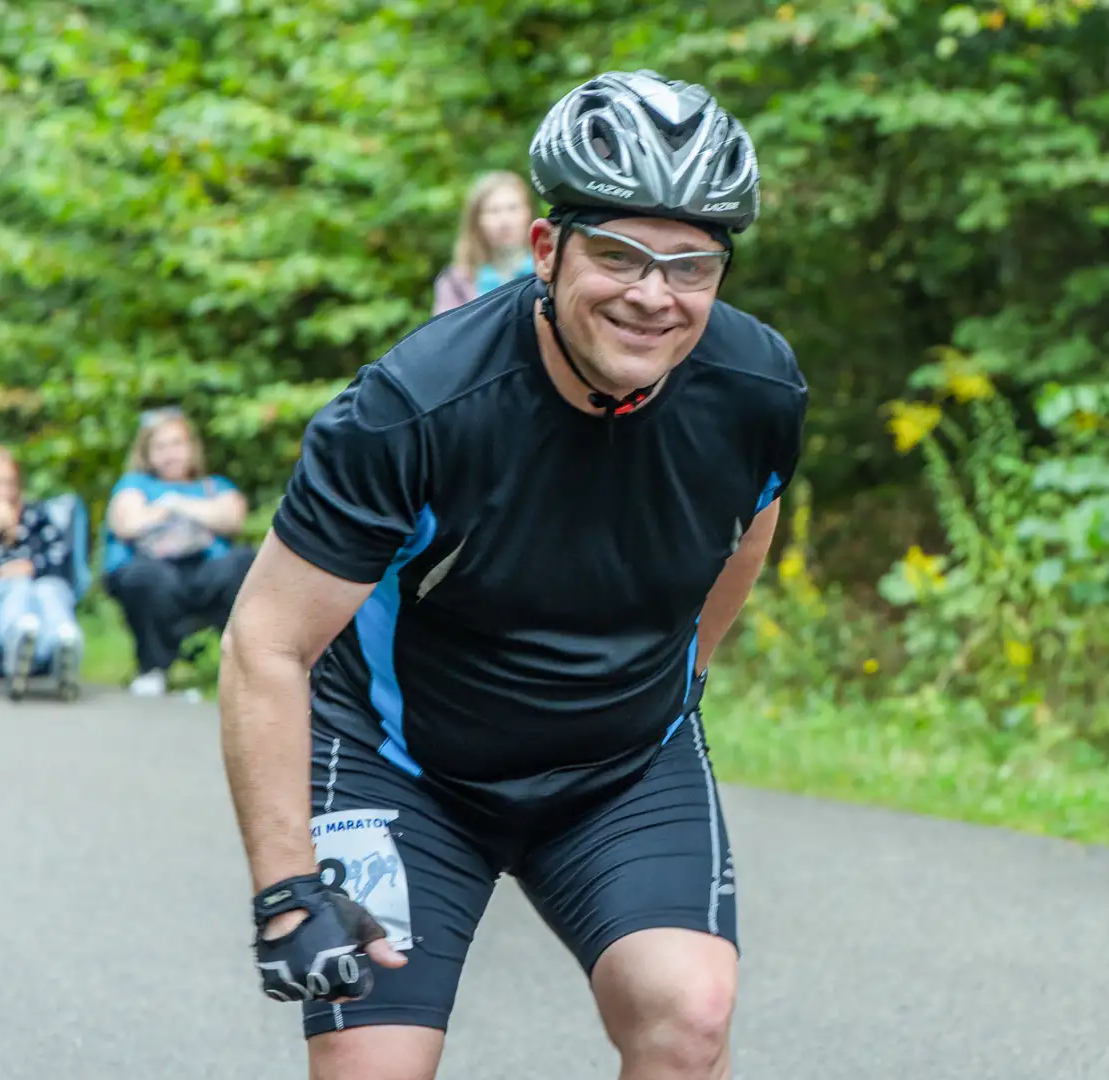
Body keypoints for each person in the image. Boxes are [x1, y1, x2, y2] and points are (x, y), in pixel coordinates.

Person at [217, 70, 804, 1080]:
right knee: (373, 1067)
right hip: (405, 767)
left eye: (691, 266)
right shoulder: (413, 408)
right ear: (545, 249)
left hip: (621, 766)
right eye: (618, 255)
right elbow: (265, 643)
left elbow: (751, 521)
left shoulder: (757, 387)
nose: (653, 295)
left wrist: (683, 677)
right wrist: (286, 892)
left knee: (689, 1017)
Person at [102, 407, 256, 697]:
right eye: (160, 447)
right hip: (152, 572)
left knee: (245, 562)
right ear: (147, 453)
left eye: (176, 444)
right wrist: (176, 510)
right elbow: (127, 524)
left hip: (206, 572)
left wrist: (176, 504)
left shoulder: (214, 486)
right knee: (149, 578)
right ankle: (153, 669)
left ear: (191, 448)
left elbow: (233, 518)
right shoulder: (134, 485)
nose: (169, 454)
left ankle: (244, 664)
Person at [0, 446, 83, 699]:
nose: (3, 491)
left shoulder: (36, 516)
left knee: (49, 590)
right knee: (15, 589)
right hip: (0, 593)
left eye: (9, 483)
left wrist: (32, 566)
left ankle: (64, 642)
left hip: (42, 586)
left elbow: (60, 558)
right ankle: (18, 641)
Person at [432, 170, 538, 314]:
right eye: (494, 211)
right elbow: (445, 327)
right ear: (477, 221)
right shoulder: (456, 282)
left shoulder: (548, 269)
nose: (504, 220)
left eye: (513, 208)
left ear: (528, 213)